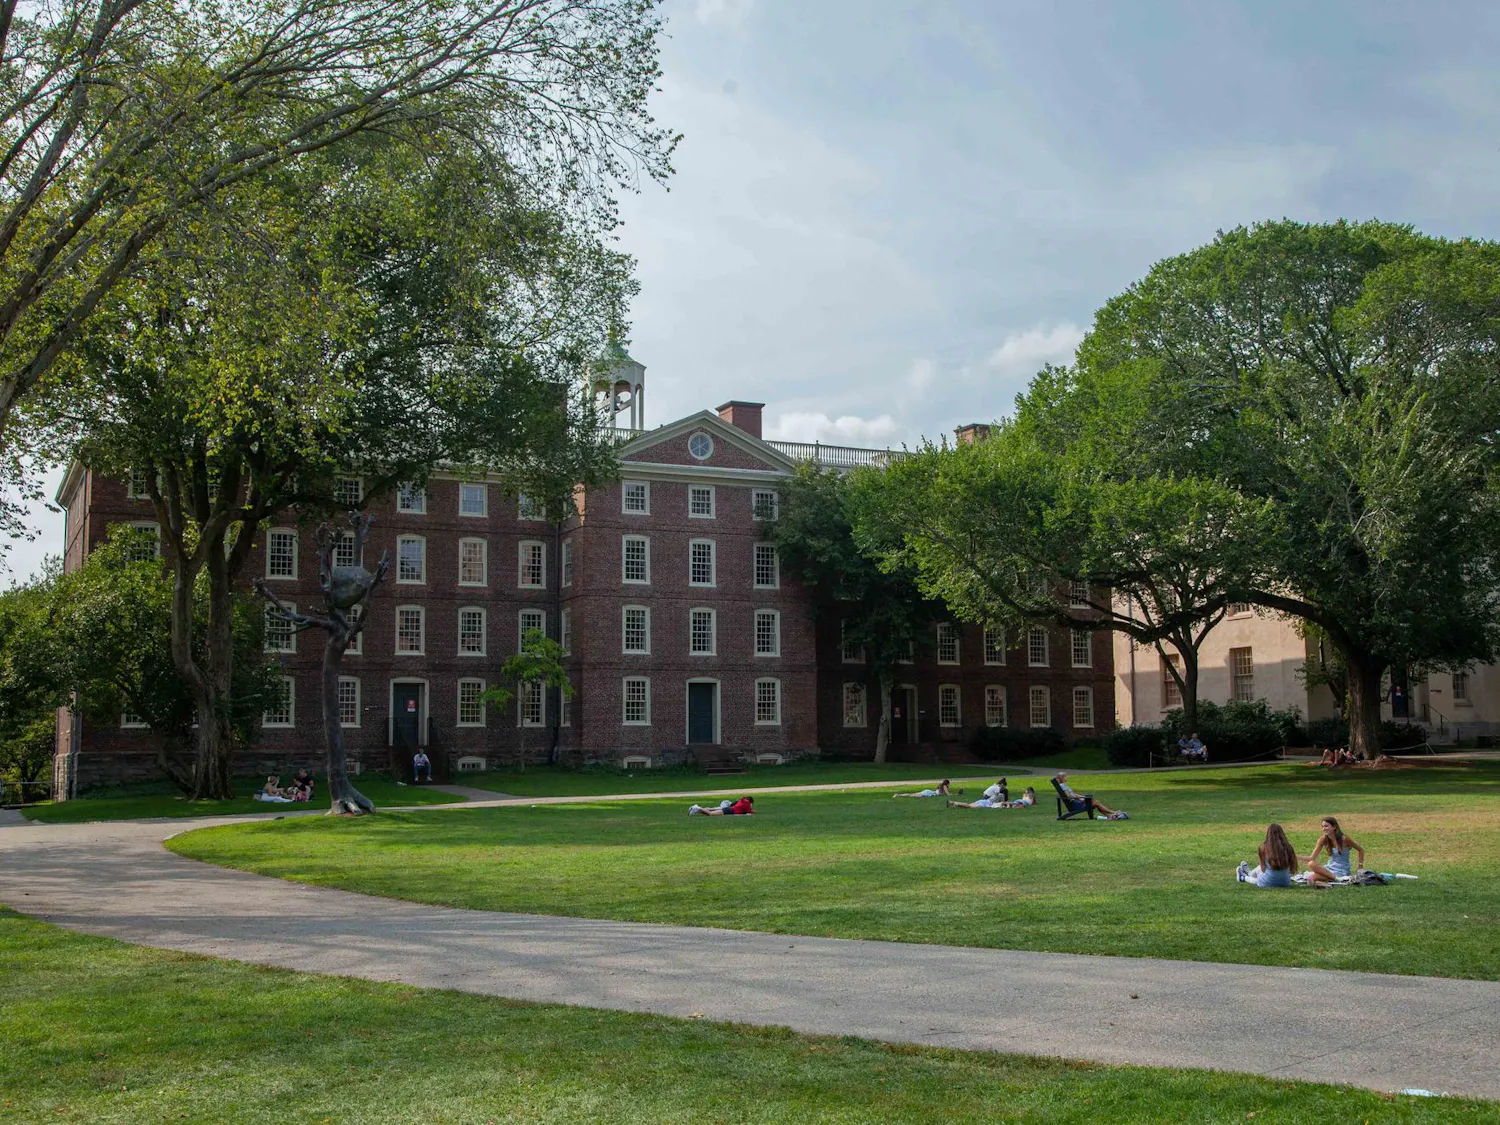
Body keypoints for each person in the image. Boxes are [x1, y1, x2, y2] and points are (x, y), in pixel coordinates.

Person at [1305, 816, 1365, 885]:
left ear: (1334, 827)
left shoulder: (1344, 839)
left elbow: (1360, 850)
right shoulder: (1323, 839)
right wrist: (1294, 857)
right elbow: (1311, 858)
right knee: (1311, 876)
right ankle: (1332, 881)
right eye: (1322, 826)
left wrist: (1360, 866)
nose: (1323, 829)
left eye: (1326, 826)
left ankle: (1336, 878)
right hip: (1329, 868)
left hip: (1341, 870)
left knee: (1311, 870)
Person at [1242, 823, 1299, 887]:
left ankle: (1244, 877)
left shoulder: (1263, 847)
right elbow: (1293, 871)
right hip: (1285, 882)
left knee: (1259, 873)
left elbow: (1263, 869)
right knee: (1263, 871)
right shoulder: (1289, 847)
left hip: (1267, 881)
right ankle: (1249, 873)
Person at [1054, 772, 1128, 819]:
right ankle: (1113, 812)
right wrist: (1080, 798)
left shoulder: (1064, 785)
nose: (1067, 777)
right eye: (1066, 776)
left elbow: (1073, 794)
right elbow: (1069, 796)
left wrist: (1082, 797)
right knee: (1096, 803)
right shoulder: (1063, 785)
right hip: (1075, 804)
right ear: (1062, 778)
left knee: (1095, 803)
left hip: (1076, 802)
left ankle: (1110, 815)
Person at [948, 786, 1035, 810]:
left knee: (969, 805)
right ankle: (955, 803)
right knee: (969, 806)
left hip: (983, 801)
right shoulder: (996, 801)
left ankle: (954, 803)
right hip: (985, 803)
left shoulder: (996, 799)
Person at [689, 796, 754, 816]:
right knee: (711, 814)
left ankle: (696, 810)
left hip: (729, 809)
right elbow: (749, 812)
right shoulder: (747, 804)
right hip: (729, 810)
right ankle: (697, 807)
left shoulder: (742, 801)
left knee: (709, 814)